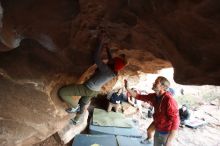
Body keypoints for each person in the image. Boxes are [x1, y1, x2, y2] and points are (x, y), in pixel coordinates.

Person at [58, 33, 127, 124]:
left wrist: (100, 42)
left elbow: (96, 58)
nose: (112, 59)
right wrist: (107, 48)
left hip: (88, 88)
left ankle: (75, 107)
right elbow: (111, 60)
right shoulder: (113, 71)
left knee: (63, 92)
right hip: (94, 90)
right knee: (83, 103)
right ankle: (76, 120)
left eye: (114, 60)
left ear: (114, 63)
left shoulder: (106, 69)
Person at [125, 76, 180, 146]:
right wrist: (127, 88)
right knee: (152, 137)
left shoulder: (169, 100)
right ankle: (148, 139)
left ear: (162, 87)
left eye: (156, 82)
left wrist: (169, 141)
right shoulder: (154, 96)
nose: (153, 83)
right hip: (158, 125)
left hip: (166, 131)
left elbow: (176, 121)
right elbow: (138, 96)